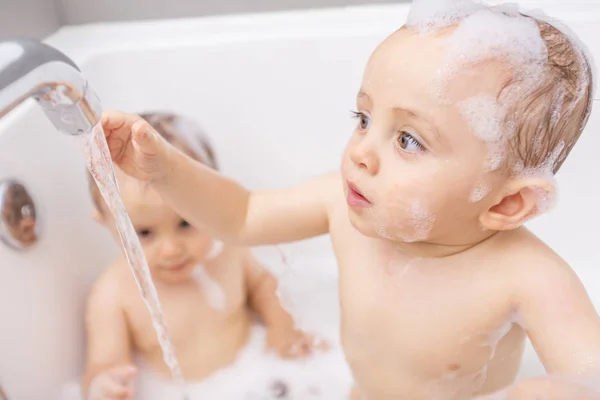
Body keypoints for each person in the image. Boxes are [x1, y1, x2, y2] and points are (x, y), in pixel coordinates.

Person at [97, 3, 600, 399]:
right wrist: (165, 171)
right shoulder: (342, 206)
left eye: (408, 140)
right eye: (363, 118)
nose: (361, 153)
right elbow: (242, 216)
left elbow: (590, 372)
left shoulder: (528, 278)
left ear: (507, 206)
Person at [81, 112, 319, 400]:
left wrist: (283, 329)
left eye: (186, 223)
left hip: (258, 374)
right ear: (105, 222)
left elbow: (264, 286)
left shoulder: (227, 250)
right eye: (143, 234)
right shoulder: (113, 294)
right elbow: (105, 363)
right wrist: (104, 386)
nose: (171, 249)